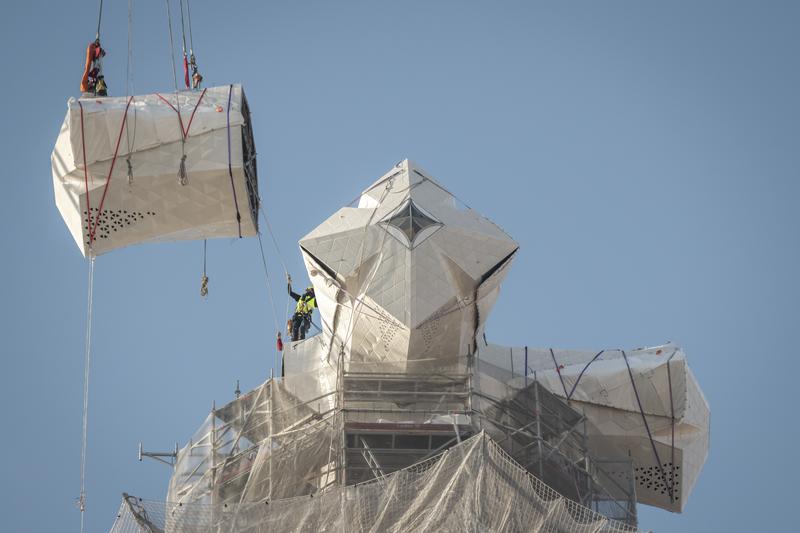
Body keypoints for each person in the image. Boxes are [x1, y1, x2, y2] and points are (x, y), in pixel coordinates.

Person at [287, 276, 316, 341]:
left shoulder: (313, 301)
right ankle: (294, 342)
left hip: (305, 318)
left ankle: (301, 341)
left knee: (301, 328)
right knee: (295, 328)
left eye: (309, 291)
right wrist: (289, 283)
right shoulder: (300, 298)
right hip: (297, 317)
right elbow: (290, 292)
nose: (307, 292)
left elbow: (318, 303)